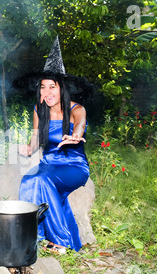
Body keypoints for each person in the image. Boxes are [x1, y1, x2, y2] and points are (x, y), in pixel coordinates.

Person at [17, 36, 92, 254]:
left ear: (62, 88)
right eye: (43, 87)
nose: (47, 93)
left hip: (74, 166)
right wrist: (27, 149)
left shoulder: (77, 108)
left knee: (42, 180)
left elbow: (79, 124)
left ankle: (61, 240)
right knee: (29, 180)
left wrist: (76, 136)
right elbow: (35, 142)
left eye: (52, 87)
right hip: (49, 163)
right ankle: (31, 236)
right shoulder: (38, 110)